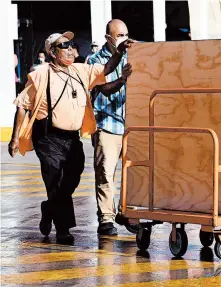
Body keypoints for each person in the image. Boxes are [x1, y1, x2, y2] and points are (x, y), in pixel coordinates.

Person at [8, 31, 133, 243]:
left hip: (72, 139)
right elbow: (22, 106)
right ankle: (63, 229)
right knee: (55, 181)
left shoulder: (80, 70)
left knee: (72, 178)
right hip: (47, 137)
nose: (70, 49)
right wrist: (14, 138)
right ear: (52, 53)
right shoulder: (40, 75)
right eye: (64, 45)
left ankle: (49, 209)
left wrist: (119, 52)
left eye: (71, 44)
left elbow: (107, 68)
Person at [88, 19, 136, 236]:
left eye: (126, 34)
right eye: (119, 36)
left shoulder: (134, 56)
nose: (124, 39)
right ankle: (106, 218)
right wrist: (123, 80)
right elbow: (104, 88)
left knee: (132, 172)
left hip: (131, 125)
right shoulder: (95, 60)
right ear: (108, 38)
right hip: (106, 123)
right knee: (106, 172)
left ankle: (125, 212)